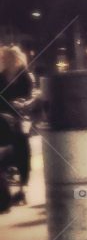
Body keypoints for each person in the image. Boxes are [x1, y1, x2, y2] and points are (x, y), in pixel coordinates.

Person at [0, 46, 35, 205]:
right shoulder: (1, 76)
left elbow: (28, 97)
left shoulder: (25, 76)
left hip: (20, 116)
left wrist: (21, 104)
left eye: (4, 57)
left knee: (22, 144)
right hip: (3, 117)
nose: (2, 60)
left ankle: (23, 186)